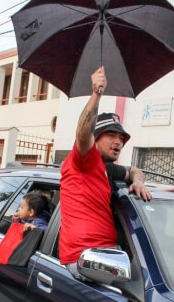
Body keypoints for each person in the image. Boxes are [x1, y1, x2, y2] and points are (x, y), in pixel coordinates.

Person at [59, 66, 151, 274]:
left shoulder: (107, 169)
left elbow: (134, 170)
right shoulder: (84, 160)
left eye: (121, 139)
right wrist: (96, 93)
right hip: (85, 258)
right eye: (111, 136)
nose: (118, 142)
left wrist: (138, 182)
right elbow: (83, 134)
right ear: (96, 139)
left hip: (108, 255)